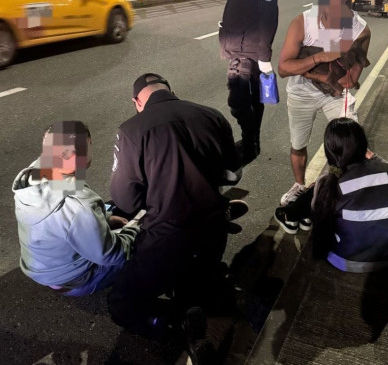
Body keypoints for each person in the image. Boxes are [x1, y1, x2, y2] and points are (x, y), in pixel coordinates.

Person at [107, 73, 246, 352]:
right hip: (213, 229)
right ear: (171, 90)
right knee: (196, 281)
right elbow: (233, 175)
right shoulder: (212, 116)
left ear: (137, 101)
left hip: (167, 237)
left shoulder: (131, 131)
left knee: (120, 301)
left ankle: (172, 324)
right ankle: (199, 294)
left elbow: (125, 198)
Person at [275, 0, 371, 216]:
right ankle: (299, 185)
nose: (343, 11)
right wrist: (318, 58)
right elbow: (284, 68)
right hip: (300, 93)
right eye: (336, 4)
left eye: (347, 3)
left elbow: (349, 81)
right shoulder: (303, 23)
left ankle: (346, 191)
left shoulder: (357, 28)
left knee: (351, 143)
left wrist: (313, 73)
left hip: (335, 95)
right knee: (298, 144)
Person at [12, 121, 139, 297]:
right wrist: (135, 229)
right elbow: (111, 254)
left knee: (109, 209)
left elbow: (64, 219)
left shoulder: (36, 172)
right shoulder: (79, 206)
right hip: (75, 280)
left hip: (44, 269)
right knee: (146, 245)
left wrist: (106, 218)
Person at [275, 118, 388, 274]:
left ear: (329, 150)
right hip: (386, 255)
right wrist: (377, 159)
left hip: (343, 259)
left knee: (316, 199)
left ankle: (290, 215)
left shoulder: (327, 183)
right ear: (364, 145)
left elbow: (318, 209)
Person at [218, 0, 280, 166]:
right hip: (238, 48)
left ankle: (250, 142)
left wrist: (264, 58)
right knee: (252, 99)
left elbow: (268, 17)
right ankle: (252, 142)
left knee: (238, 102)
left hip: (250, 51)